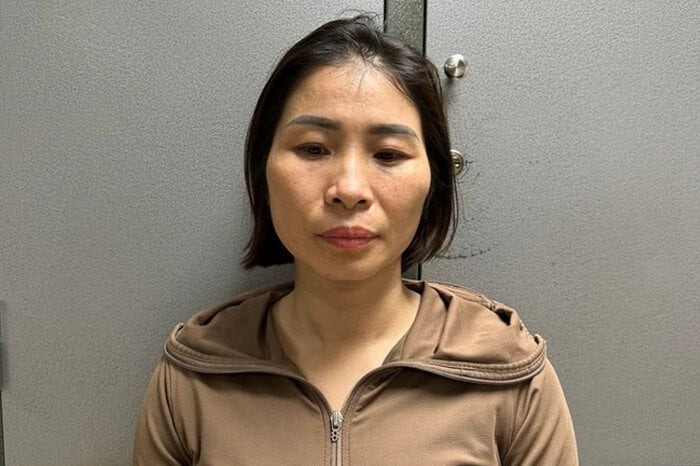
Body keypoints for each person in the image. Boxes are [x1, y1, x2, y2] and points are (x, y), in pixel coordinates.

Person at [133, 15, 578, 465]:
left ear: (433, 180)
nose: (348, 189)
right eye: (313, 149)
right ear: (263, 169)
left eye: (388, 154)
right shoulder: (193, 376)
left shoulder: (509, 374)